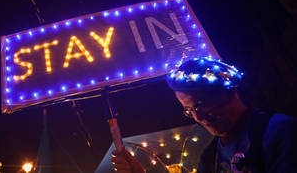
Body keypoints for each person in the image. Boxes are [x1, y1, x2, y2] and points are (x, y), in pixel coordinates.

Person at [111, 57, 297, 173]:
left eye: (200, 105)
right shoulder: (210, 156)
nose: (198, 118)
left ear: (227, 92)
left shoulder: (278, 130)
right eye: (189, 110)